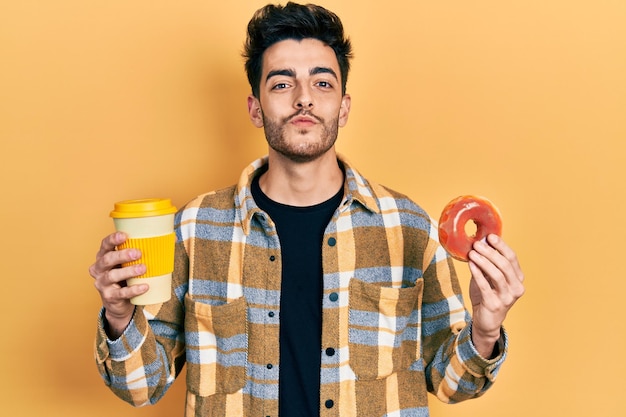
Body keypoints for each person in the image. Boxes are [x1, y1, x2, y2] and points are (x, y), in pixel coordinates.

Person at [89, 2, 525, 416]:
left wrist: (485, 329)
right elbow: (142, 386)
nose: (304, 98)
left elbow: (453, 384)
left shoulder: (410, 228)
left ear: (344, 106)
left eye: (322, 83)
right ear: (255, 109)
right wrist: (119, 314)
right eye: (281, 83)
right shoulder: (194, 229)